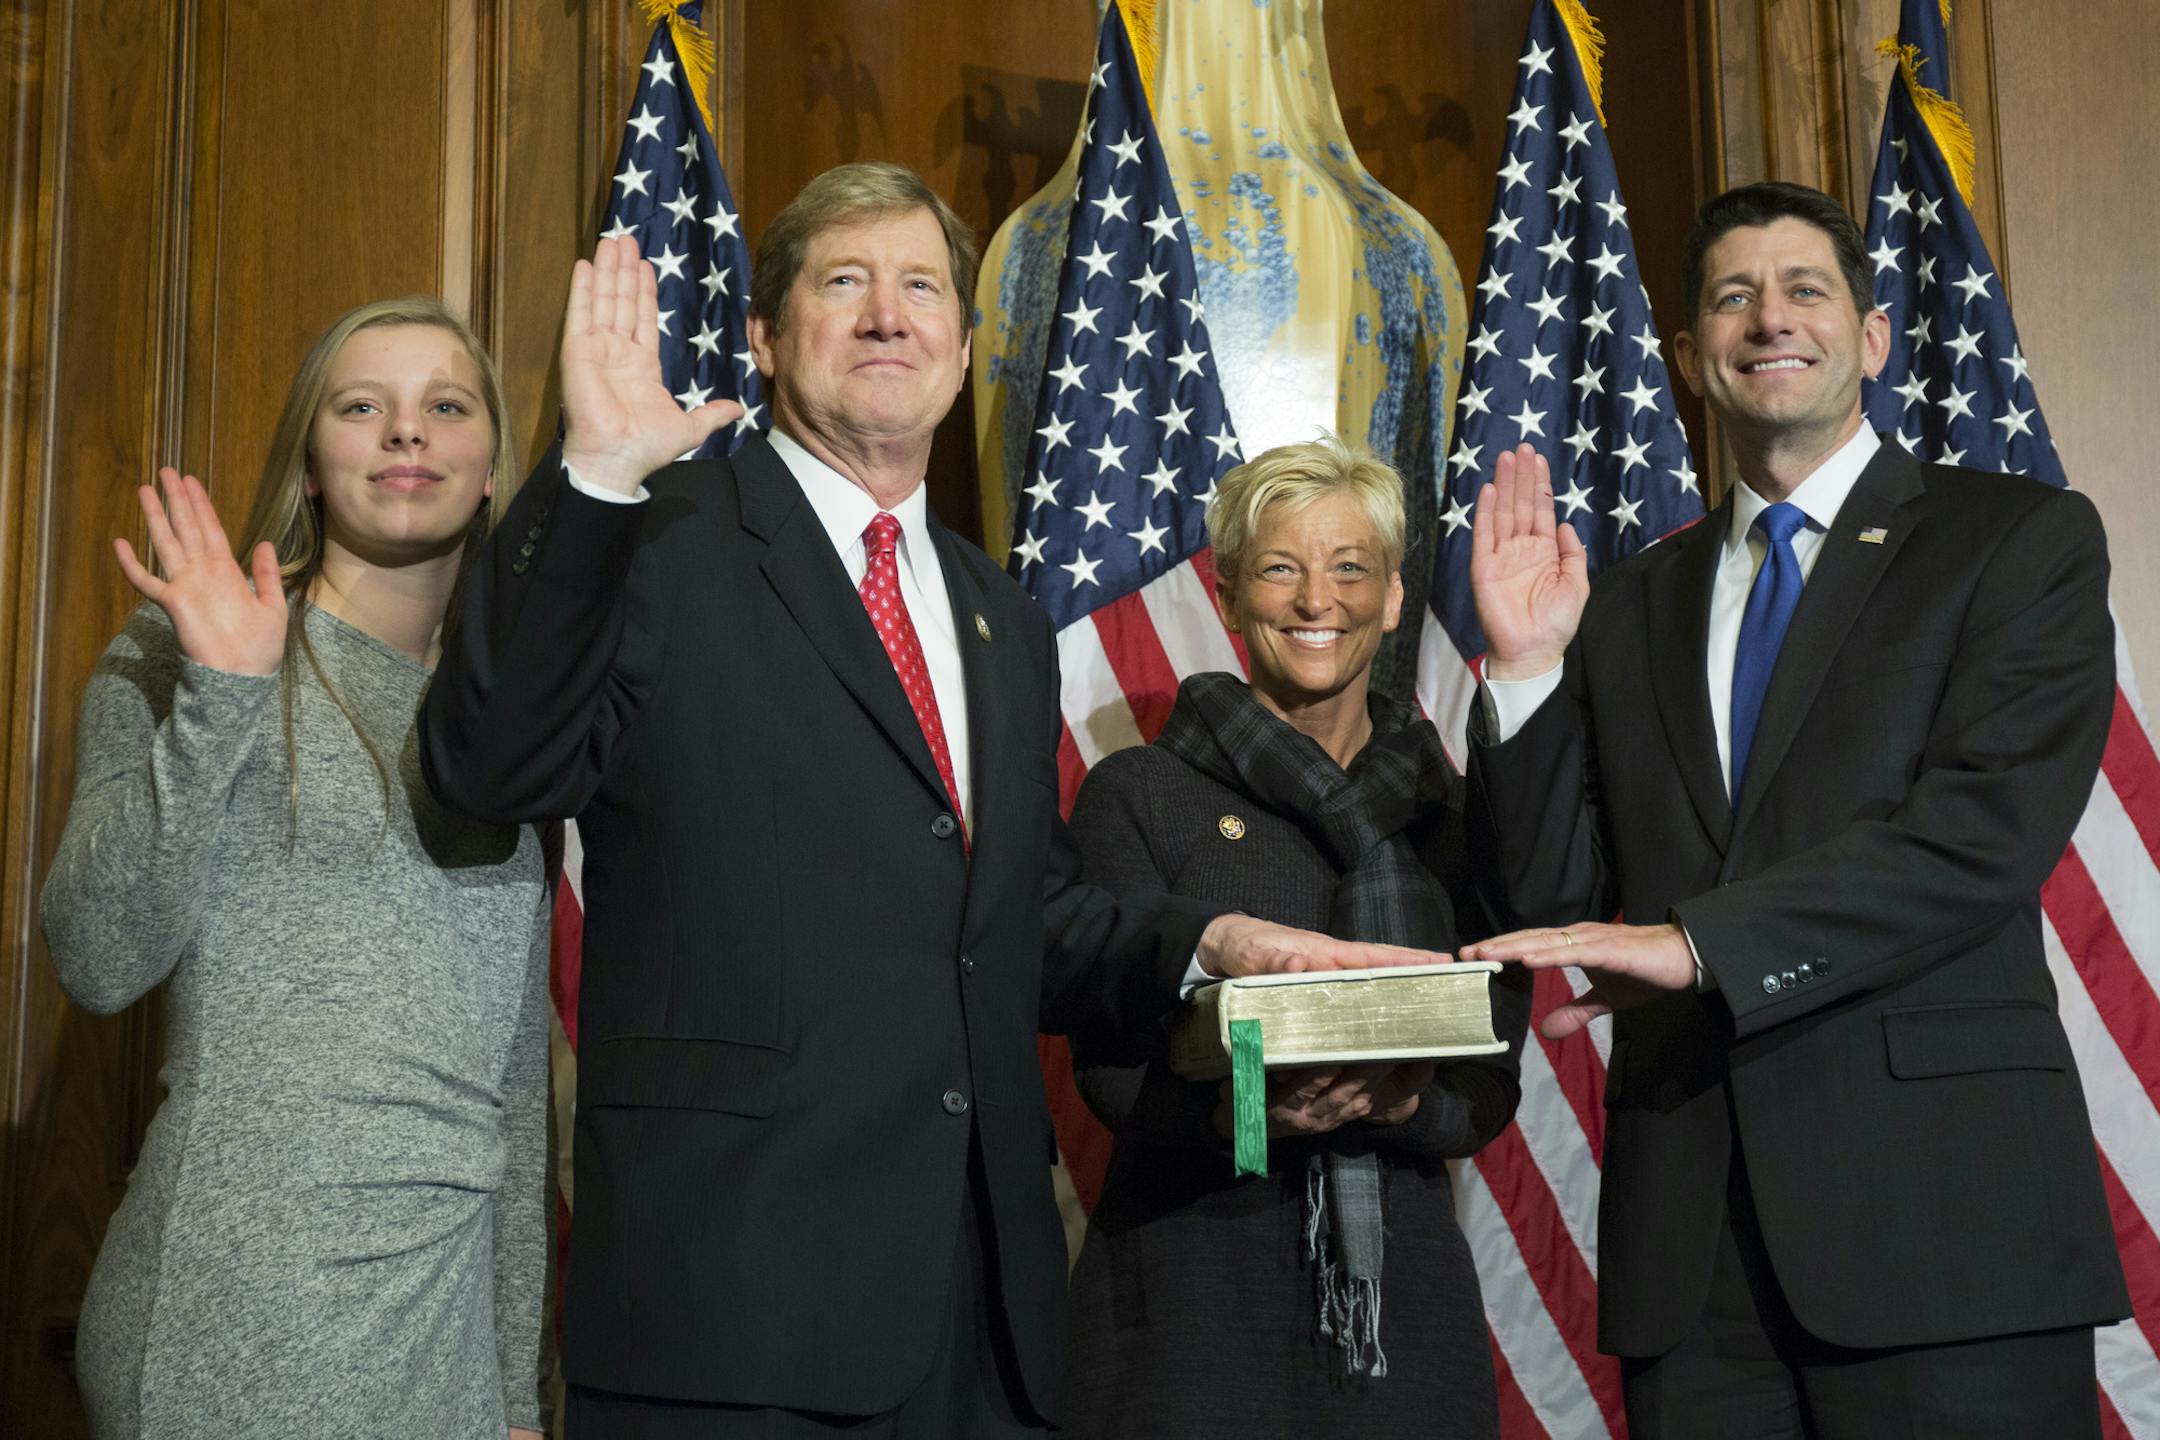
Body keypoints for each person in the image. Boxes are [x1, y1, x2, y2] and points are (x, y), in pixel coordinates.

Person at [417, 163, 1437, 1438]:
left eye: (920, 290)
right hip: (736, 1312)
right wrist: (594, 479)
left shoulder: (996, 612)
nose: (888, 314)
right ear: (768, 338)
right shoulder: (654, 537)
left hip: (981, 1327)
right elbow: (491, 771)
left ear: (960, 357)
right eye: (844, 283)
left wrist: (1203, 946)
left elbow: (1022, 919)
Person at [1459, 180, 2130, 1437]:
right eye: (1733, 296)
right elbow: (1548, 898)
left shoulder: (2018, 540)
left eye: (1806, 288)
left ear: (1870, 337)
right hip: (1693, 1258)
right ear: (1690, 356)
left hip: (1945, 1238)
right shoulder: (1627, 598)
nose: (1771, 318)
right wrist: (1530, 671)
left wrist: (1703, 944)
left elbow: (1979, 838)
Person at [41, 297, 552, 1439]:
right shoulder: (182, 645)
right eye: (362, 406)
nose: (406, 433)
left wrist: (516, 1391)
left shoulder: (524, 729)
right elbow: (96, 956)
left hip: (442, 1350)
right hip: (226, 1323)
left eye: (445, 406)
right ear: (314, 463)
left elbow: (513, 1097)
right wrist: (222, 695)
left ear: (488, 467)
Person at [1055, 436, 1531, 1439]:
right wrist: (1262, 1118)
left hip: (1409, 1318)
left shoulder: (1451, 816)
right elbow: (1108, 1073)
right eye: (1280, 568)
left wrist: (1401, 1107)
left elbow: (1490, 1076)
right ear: (1228, 596)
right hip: (1189, 1314)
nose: (1318, 599)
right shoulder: (1137, 794)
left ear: (1394, 598)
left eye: (1350, 567)